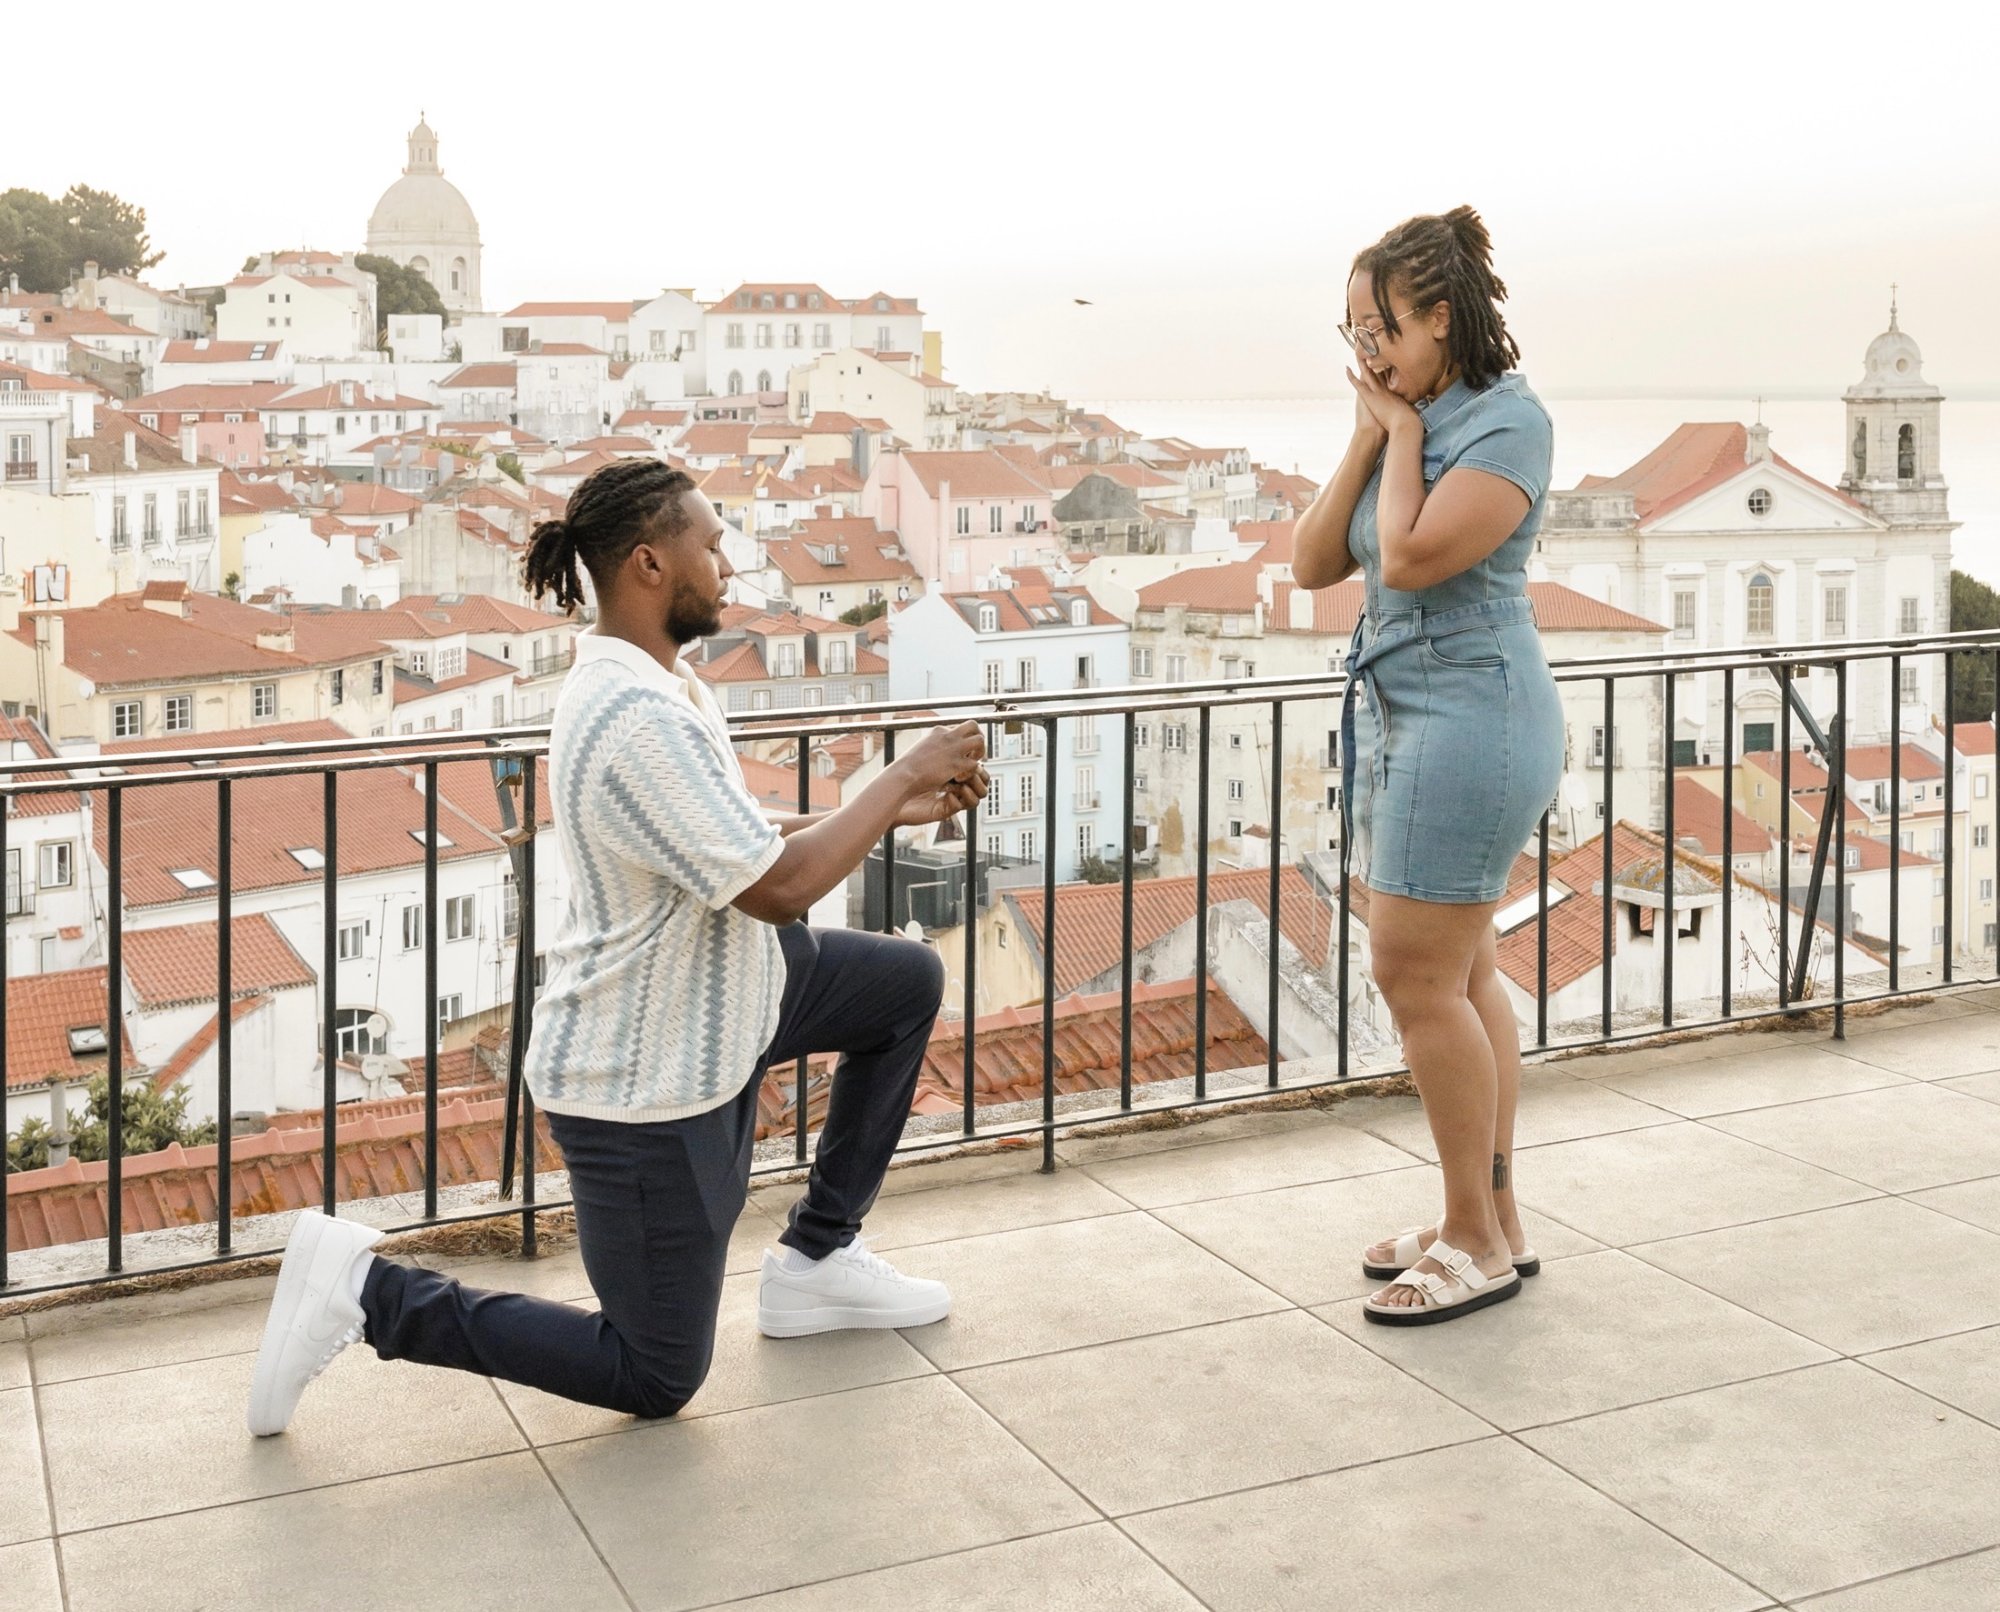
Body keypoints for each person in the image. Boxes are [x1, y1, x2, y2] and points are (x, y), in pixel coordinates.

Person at [247, 459, 989, 1434]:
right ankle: (363, 1294)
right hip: (643, 1072)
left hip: (728, 990)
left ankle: (817, 1259)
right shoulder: (632, 716)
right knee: (654, 1372)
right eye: (711, 545)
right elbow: (776, 887)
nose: (728, 564)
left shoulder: (662, 683)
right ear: (648, 561)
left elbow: (741, 838)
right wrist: (897, 778)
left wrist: (886, 812)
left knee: (902, 985)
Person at [1292, 206, 1561, 1327]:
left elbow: (1401, 558)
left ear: (1441, 317)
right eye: (1350, 327)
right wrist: (1368, 432)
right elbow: (1314, 562)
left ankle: (1469, 1238)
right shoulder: (1411, 412)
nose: (1364, 347)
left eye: (1382, 325)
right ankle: (1490, 1219)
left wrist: (1398, 441)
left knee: (1410, 974)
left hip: (1475, 715)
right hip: (1410, 719)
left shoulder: (1504, 425)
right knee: (1460, 974)